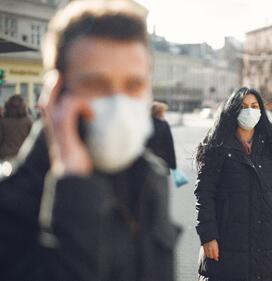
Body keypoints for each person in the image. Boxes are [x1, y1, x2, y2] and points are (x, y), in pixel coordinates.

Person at [0, 1, 179, 281]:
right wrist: (73, 187)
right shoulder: (9, 203)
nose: (118, 103)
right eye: (97, 85)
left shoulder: (149, 178)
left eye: (133, 85)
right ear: (56, 93)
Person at [194, 87, 272, 281]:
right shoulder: (217, 146)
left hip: (267, 244)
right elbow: (204, 194)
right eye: (243, 106)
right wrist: (208, 236)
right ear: (233, 111)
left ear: (260, 110)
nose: (249, 111)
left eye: (254, 106)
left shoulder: (271, 145)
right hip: (227, 241)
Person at [0, 95, 33, 161]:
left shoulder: (3, 122)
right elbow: (32, 141)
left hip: (5, 156)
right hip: (23, 156)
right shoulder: (28, 121)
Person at [147, 101, 177, 171]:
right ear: (160, 112)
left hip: (147, 160)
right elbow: (169, 145)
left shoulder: (145, 123)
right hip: (162, 160)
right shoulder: (163, 124)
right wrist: (173, 165)